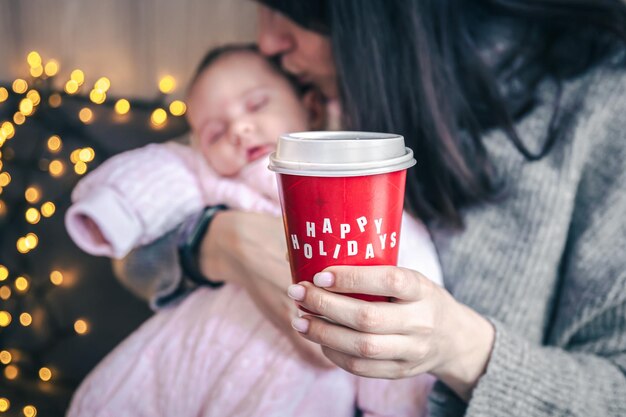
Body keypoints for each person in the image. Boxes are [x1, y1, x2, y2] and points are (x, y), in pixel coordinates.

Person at [116, 1, 626, 416]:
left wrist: (461, 349)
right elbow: (134, 239)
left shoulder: (603, 104)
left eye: (296, 6)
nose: (269, 40)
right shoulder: (306, 95)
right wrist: (221, 240)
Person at [66, 44, 443, 417]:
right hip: (200, 342)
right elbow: (158, 171)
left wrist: (399, 404)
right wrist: (110, 212)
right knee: (129, 390)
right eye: (215, 133)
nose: (239, 129)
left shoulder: (356, 188)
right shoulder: (212, 176)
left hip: (303, 382)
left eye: (256, 105)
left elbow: (400, 298)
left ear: (310, 109)